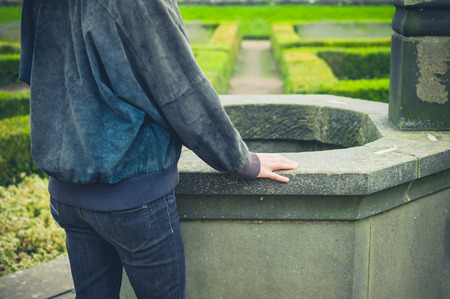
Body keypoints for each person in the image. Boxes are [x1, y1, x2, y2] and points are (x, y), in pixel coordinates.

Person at [19, 0, 299, 298]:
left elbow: (34, 70)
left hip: (67, 194)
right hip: (131, 196)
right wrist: (242, 161)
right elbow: (181, 89)